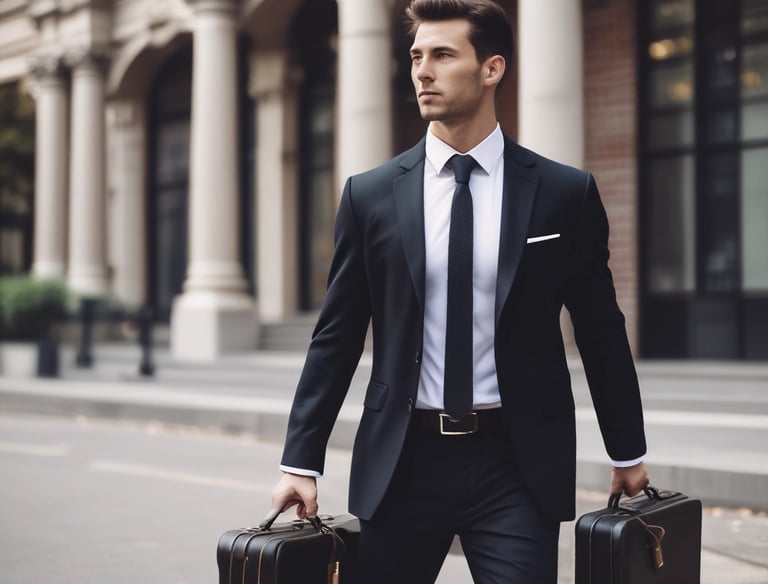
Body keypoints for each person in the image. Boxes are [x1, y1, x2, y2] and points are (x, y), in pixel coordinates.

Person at [272, 0, 650, 581]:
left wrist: (627, 450)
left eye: (443, 56)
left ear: (492, 68)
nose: (422, 71)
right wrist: (301, 459)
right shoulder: (369, 196)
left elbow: (601, 328)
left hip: (516, 463)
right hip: (402, 461)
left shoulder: (562, 193)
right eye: (416, 56)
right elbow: (337, 335)